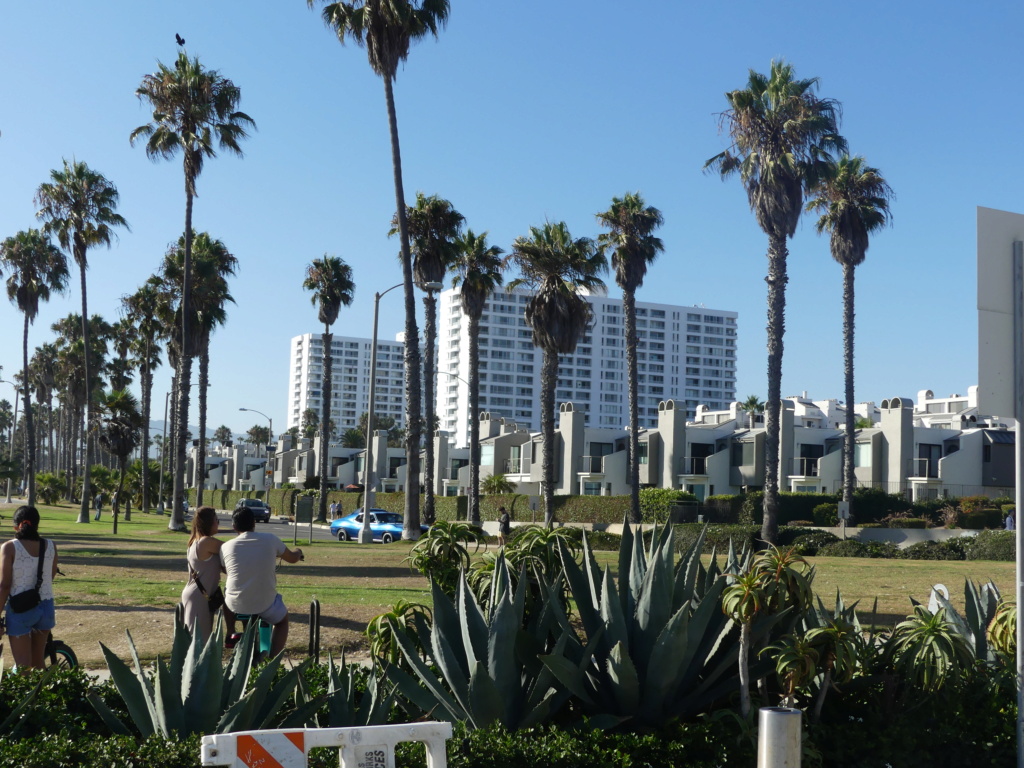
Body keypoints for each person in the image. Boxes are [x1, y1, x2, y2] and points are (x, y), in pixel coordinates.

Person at [220, 505, 303, 658]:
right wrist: (298, 552)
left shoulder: (226, 546)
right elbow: (292, 558)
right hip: (265, 604)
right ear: (254, 523)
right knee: (282, 621)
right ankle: (272, 660)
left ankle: (230, 630)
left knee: (226, 592)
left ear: (233, 526)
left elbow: (227, 569)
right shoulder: (271, 540)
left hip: (236, 605)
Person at [0, 506, 59, 671]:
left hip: (21, 610)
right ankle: (43, 695)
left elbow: (4, 585)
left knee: (23, 668)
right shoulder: (50, 546)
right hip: (46, 606)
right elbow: (50, 576)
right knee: (38, 663)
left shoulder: (9, 547)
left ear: (15, 527)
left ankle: (29, 696)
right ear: (37, 526)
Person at [181, 506, 229, 644]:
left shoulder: (196, 542)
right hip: (199, 597)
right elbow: (232, 549)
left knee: (202, 638)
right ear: (209, 522)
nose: (218, 523)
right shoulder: (206, 542)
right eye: (216, 520)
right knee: (198, 641)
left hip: (200, 595)